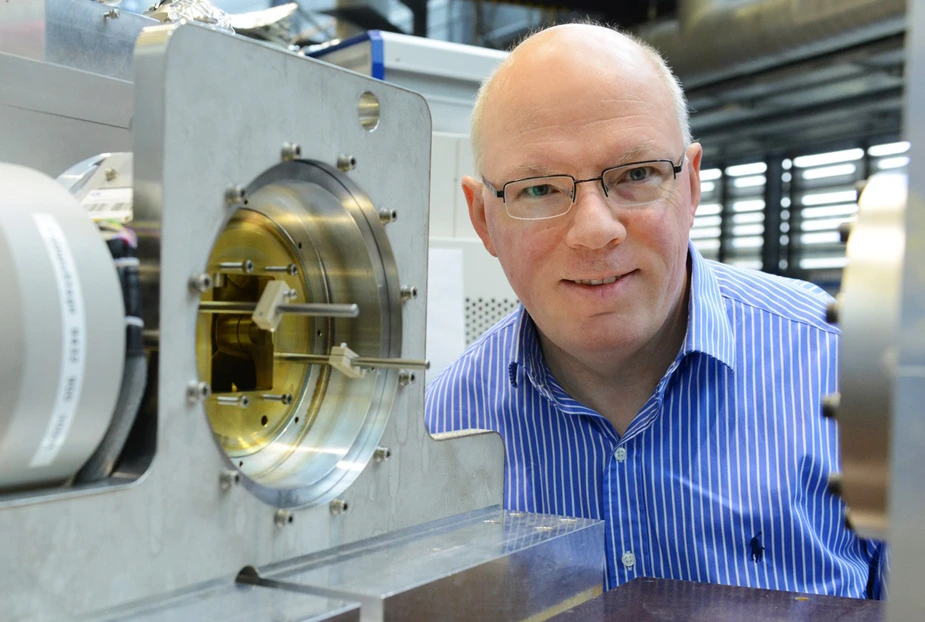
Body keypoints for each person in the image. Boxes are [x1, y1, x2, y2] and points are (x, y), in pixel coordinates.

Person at [424, 22, 887, 597]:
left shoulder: (848, 367)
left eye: (637, 175)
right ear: (483, 220)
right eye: (538, 189)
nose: (595, 230)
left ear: (690, 185)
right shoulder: (440, 429)